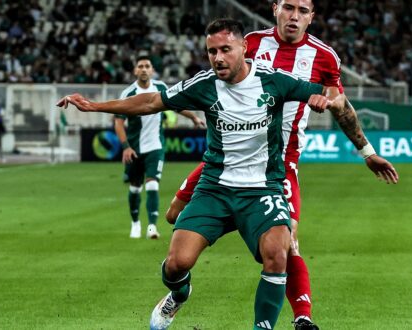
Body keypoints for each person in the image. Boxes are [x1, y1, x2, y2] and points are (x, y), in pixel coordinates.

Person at [57, 18, 380, 330]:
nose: (218, 58)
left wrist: (327, 105)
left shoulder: (274, 80)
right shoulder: (204, 84)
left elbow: (334, 99)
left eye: (225, 49)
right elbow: (152, 101)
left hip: (262, 189)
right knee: (176, 263)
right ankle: (179, 293)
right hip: (215, 187)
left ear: (244, 48)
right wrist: (96, 106)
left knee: (279, 254)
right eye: (212, 51)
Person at [166, 2, 400, 329]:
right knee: (173, 215)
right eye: (288, 7)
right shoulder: (250, 42)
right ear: (275, 8)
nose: (294, 16)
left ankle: (302, 317)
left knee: (286, 243)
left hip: (278, 164)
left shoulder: (324, 56)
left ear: (312, 16)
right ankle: (180, 288)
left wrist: (366, 151)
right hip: (223, 160)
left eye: (303, 10)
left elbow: (338, 104)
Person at [114, 55, 204, 239]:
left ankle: (152, 227)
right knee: (134, 188)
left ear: (152, 70)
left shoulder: (161, 87)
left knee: (153, 184)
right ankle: (135, 223)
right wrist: (125, 147)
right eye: (140, 66)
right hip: (134, 149)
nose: (144, 69)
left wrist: (193, 117)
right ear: (135, 71)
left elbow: (177, 105)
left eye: (147, 66)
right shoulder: (128, 93)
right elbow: (118, 122)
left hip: (155, 147)